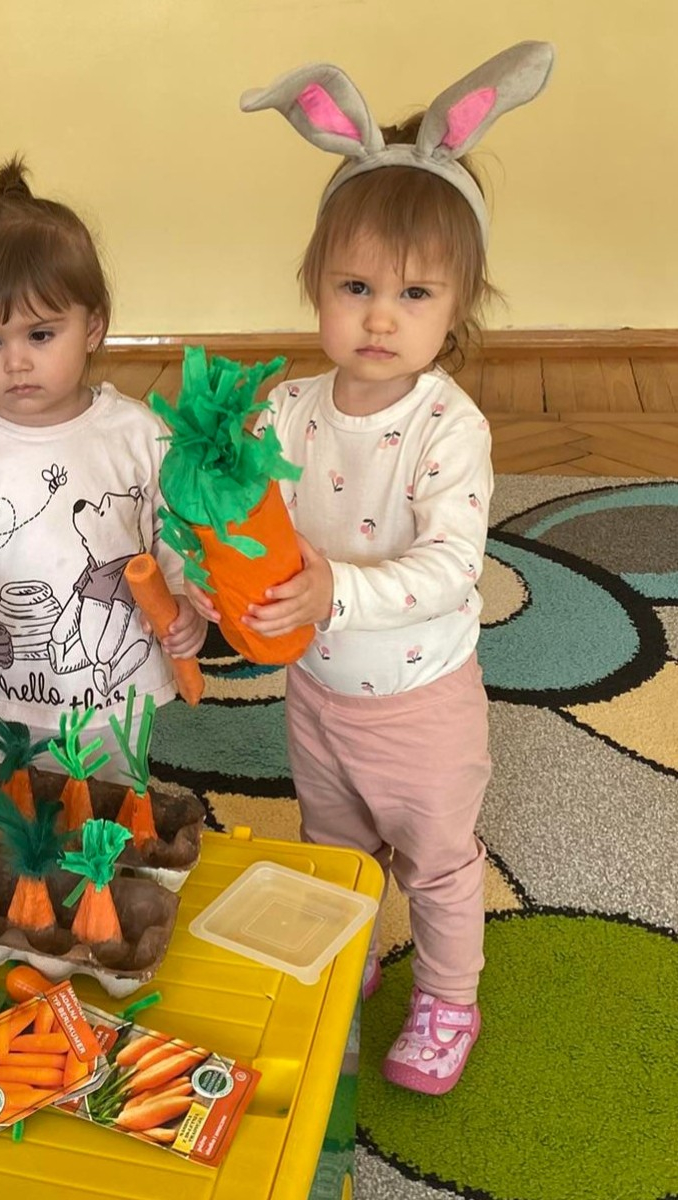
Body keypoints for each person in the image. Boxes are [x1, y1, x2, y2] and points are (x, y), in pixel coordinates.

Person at [205, 43, 554, 1093]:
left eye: (413, 292)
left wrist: (336, 591)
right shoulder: (284, 410)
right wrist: (195, 559)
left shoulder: (449, 428)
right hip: (316, 690)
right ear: (314, 284)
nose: (379, 316)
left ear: (458, 304)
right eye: (353, 286)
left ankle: (447, 998)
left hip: (419, 703)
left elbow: (450, 568)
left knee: (437, 863)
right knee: (334, 844)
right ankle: (349, 944)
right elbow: (236, 515)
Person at [0, 158, 205, 779]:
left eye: (40, 335)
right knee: (13, 822)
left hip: (116, 694)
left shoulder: (140, 434)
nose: (15, 362)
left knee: (112, 815)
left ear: (92, 327)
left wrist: (183, 603)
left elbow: (174, 531)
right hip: (2, 702)